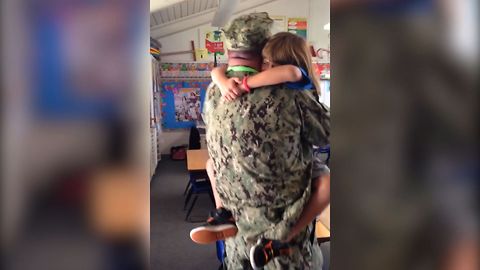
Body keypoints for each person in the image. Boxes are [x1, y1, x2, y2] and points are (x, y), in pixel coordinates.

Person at [201, 12, 330, 269]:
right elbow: (328, 134)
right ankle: (280, 237)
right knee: (325, 180)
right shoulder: (292, 95)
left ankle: (220, 213)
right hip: (284, 250)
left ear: (229, 50)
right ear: (264, 52)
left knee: (210, 164)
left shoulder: (214, 92)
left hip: (237, 241)